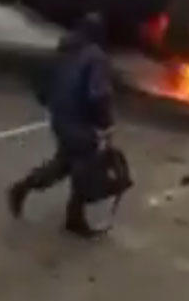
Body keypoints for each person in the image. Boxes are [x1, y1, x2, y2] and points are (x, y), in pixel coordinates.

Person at [7, 12, 114, 236]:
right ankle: (74, 219)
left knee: (65, 163)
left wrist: (50, 102)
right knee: (85, 166)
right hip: (80, 121)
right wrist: (105, 123)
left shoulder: (64, 50)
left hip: (61, 117)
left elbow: (43, 80)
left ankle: (24, 187)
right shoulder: (96, 57)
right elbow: (98, 94)